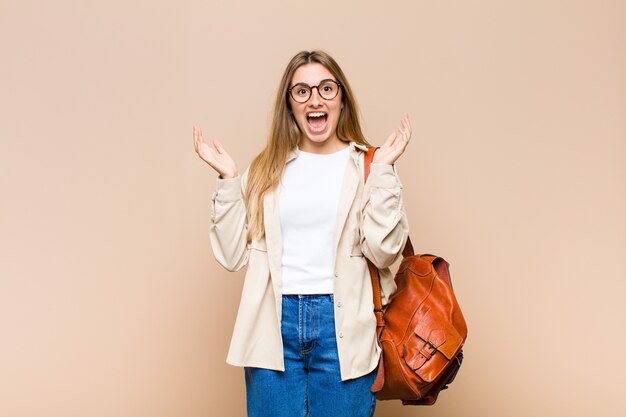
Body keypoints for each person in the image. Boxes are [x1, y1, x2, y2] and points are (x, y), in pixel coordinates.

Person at [193, 50, 411, 417]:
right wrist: (230, 181)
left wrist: (385, 171)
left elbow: (384, 252)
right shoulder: (267, 168)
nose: (315, 99)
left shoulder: (367, 166)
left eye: (326, 88)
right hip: (273, 326)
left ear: (341, 99)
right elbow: (232, 256)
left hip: (344, 326)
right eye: (302, 91)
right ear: (289, 104)